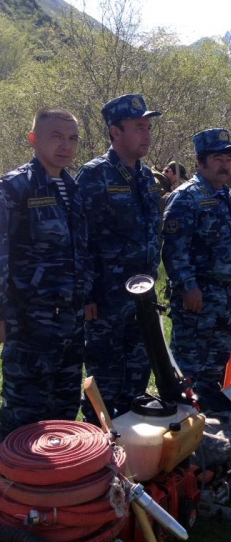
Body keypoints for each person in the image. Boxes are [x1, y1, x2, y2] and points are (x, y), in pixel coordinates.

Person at [0, 108, 90, 440]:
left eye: (72, 138)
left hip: (70, 319)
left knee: (65, 409)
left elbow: (81, 248)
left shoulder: (73, 187)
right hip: (30, 321)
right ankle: (14, 485)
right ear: (33, 140)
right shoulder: (14, 188)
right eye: (56, 136)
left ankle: (61, 484)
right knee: (25, 413)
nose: (66, 146)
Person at [77, 93, 162, 419]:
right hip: (106, 299)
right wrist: (87, 296)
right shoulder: (94, 175)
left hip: (142, 296)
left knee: (138, 372)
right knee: (104, 379)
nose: (147, 134)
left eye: (149, 127)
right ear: (115, 132)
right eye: (139, 127)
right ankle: (99, 448)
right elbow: (81, 241)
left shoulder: (145, 176)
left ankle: (134, 449)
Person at [161, 128, 231, 409]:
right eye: (217, 159)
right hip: (198, 294)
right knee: (189, 356)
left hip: (223, 294)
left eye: (227, 158)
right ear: (200, 163)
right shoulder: (186, 197)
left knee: (217, 353)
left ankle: (209, 401)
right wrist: (188, 286)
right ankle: (181, 409)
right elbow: (174, 247)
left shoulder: (226, 195)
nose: (225, 164)